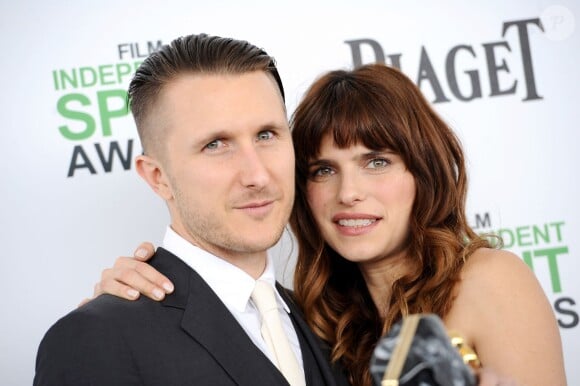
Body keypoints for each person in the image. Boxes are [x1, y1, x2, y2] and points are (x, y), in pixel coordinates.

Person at [92, 63, 567, 386]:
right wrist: (124, 316)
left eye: (377, 161)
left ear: (423, 170)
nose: (349, 193)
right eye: (323, 170)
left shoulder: (488, 280)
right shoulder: (316, 319)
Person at [34, 33, 349, 386]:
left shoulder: (328, 324)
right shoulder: (97, 340)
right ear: (157, 177)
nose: (257, 175)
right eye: (215, 144)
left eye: (266, 135)